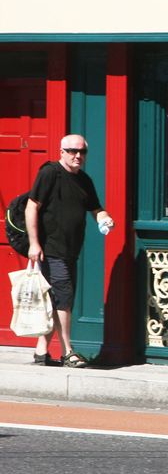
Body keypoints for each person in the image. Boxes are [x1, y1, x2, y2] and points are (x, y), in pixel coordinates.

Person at [26, 134, 114, 368]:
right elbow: (31, 207)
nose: (78, 156)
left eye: (82, 152)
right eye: (72, 151)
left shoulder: (84, 180)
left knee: (56, 299)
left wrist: (104, 219)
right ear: (61, 151)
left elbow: (96, 209)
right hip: (50, 249)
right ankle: (68, 351)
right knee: (63, 299)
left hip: (70, 250)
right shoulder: (50, 173)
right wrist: (34, 243)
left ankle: (41, 351)